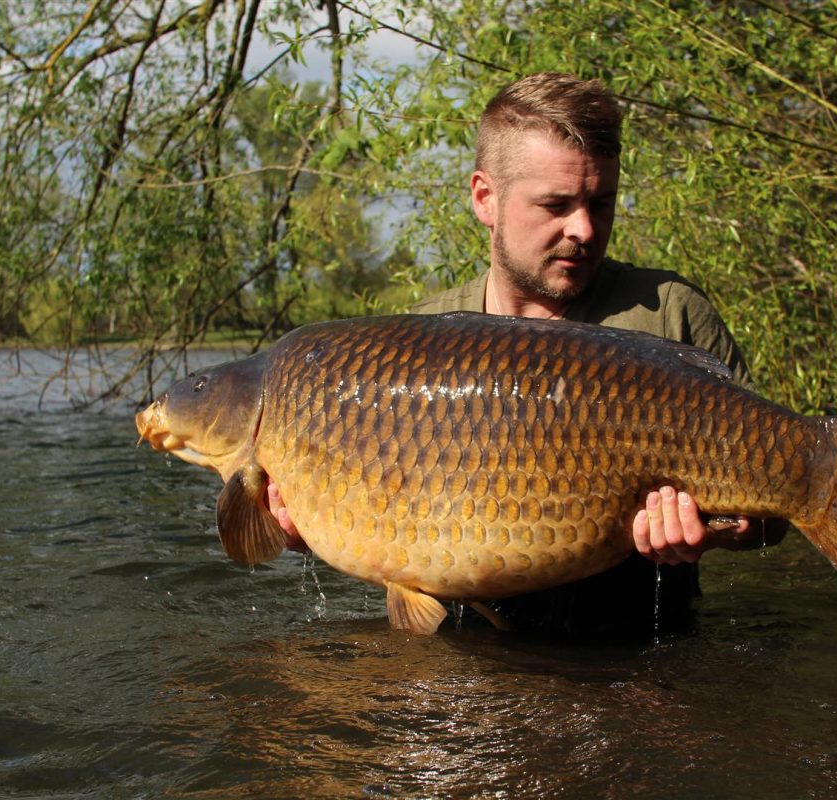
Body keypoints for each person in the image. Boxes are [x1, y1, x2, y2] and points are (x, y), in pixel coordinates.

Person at [269, 72, 786, 638]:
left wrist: (717, 530)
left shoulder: (667, 315)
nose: (583, 229)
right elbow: (380, 520)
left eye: (601, 202)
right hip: (474, 656)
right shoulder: (414, 346)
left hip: (636, 655)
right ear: (485, 198)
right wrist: (313, 520)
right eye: (556, 204)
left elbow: (773, 515)